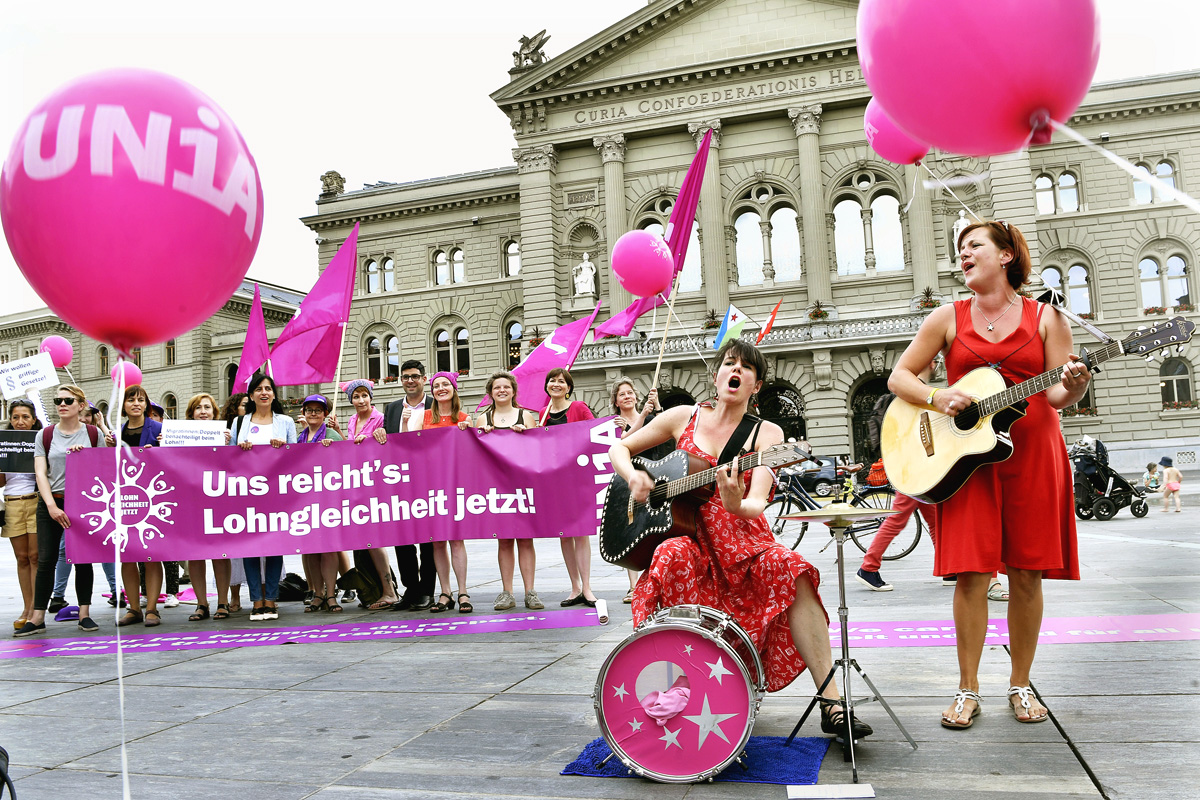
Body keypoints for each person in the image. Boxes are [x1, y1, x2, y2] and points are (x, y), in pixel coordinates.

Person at [610, 340, 872, 740]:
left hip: (744, 542)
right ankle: (682, 686)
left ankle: (832, 702)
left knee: (793, 568)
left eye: (745, 368)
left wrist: (735, 502)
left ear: (755, 385)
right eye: (728, 363)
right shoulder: (683, 417)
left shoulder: (768, 434)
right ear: (715, 376)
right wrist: (633, 476)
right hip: (691, 539)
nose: (735, 370)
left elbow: (756, 503)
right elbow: (620, 447)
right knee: (669, 553)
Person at [889, 219, 1087, 729]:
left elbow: (1059, 395)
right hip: (968, 460)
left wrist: (1077, 385)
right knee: (973, 574)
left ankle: (1021, 684)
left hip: (1033, 452)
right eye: (960, 247)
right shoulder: (947, 317)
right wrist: (938, 396)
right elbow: (900, 376)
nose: (963, 253)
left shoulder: (1047, 318)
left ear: (1005, 256)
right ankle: (967, 688)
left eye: (974, 245)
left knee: (1026, 572)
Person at [15, 385, 108, 637]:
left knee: (82, 559)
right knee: (45, 560)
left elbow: (102, 470)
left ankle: (84, 614)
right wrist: (51, 506)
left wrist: (85, 456)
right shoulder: (45, 435)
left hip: (84, 503)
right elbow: (40, 473)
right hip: (51, 503)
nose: (62, 404)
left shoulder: (91, 434)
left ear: (80, 405)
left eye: (68, 400)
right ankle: (37, 617)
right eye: (58, 400)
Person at [230, 373, 297, 621]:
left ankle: (271, 599)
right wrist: (240, 449)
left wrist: (284, 448)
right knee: (250, 547)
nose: (264, 392)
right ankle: (256, 600)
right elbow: (229, 459)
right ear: (251, 395)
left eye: (268, 388)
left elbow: (296, 456)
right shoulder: (239, 423)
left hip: (276, 492)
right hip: (246, 492)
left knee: (274, 547)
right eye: (259, 389)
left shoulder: (286, 422)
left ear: (273, 394)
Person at [477, 371, 542, 611]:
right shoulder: (483, 419)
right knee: (504, 541)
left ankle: (530, 592)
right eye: (497, 388)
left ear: (513, 391)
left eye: (506, 387)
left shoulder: (526, 416)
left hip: (522, 484)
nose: (502, 390)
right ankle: (506, 592)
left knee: (526, 539)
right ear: (490, 393)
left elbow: (537, 450)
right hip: (496, 487)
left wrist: (525, 435)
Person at [374, 360, 435, 611]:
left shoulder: (435, 405)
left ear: (424, 379)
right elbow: (387, 439)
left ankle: (427, 590)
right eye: (406, 376)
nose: (410, 380)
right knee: (402, 537)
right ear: (401, 380)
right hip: (399, 481)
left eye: (415, 376)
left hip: (430, 480)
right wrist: (380, 435)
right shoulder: (391, 408)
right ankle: (410, 589)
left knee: (428, 538)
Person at [410, 371, 473, 613]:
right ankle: (445, 592)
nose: (441, 388)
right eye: (436, 385)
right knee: (437, 542)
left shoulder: (464, 418)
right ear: (432, 391)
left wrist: (468, 432)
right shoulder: (422, 417)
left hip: (455, 485)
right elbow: (410, 445)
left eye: (446, 384)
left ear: (454, 388)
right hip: (429, 485)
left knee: (457, 540)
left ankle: (463, 591)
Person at [106, 385, 165, 627]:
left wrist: (161, 449)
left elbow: (176, 458)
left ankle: (152, 609)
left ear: (147, 405)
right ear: (124, 406)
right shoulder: (115, 434)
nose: (136, 404)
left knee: (152, 554)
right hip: (125, 500)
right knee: (127, 555)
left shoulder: (159, 429)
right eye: (131, 400)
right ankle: (134, 608)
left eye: (141, 400)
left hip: (154, 499)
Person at [540, 368, 598, 607]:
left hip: (578, 478)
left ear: (569, 387)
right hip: (555, 482)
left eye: (561, 381)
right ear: (546, 386)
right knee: (564, 536)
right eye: (552, 380)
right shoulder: (542, 413)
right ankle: (574, 587)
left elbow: (595, 433)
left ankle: (587, 587)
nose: (556, 384)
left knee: (581, 534)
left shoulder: (579, 408)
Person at [178, 393, 234, 621]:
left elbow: (233, 467)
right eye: (198, 408)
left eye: (207, 408)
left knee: (220, 553)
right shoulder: (179, 437)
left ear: (214, 413)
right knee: (195, 554)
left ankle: (222, 602)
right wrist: (165, 444)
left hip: (216, 498)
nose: (203, 411)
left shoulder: (225, 436)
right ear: (191, 413)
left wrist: (228, 446)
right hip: (190, 500)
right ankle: (202, 604)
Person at [344, 378, 399, 610]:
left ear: (371, 397)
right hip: (357, 484)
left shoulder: (380, 418)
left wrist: (375, 437)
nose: (360, 400)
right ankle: (377, 589)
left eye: (364, 395)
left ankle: (389, 591)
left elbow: (386, 444)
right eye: (356, 396)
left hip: (376, 484)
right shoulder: (351, 421)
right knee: (365, 541)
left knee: (374, 540)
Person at [610, 378, 660, 603]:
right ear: (616, 401)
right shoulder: (615, 423)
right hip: (629, 481)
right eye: (622, 394)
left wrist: (656, 406)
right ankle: (633, 587)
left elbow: (663, 433)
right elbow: (624, 443)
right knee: (631, 531)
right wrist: (640, 418)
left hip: (653, 476)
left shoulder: (650, 418)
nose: (627, 396)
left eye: (630, 392)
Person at [296, 394, 345, 613]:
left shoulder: (332, 433)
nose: (313, 413)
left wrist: (332, 448)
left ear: (325, 414)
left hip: (328, 499)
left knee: (329, 549)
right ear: (304, 413)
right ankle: (318, 592)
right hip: (305, 500)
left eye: (318, 410)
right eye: (309, 410)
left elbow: (347, 458)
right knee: (312, 548)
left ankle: (331, 594)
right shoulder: (300, 437)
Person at [3, 400, 42, 631]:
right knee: (22, 558)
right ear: (10, 420)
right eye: (16, 417)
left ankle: (37, 611)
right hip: (12, 503)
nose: (20, 422)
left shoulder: (40, 440)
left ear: (33, 419)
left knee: (36, 556)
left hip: (36, 501)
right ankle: (26, 608)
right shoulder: (3, 443)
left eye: (25, 417)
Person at [222, 392, 249, 614]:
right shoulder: (231, 430)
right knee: (234, 547)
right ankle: (234, 596)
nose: (247, 408)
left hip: (258, 490)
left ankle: (265, 594)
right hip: (233, 492)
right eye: (243, 405)